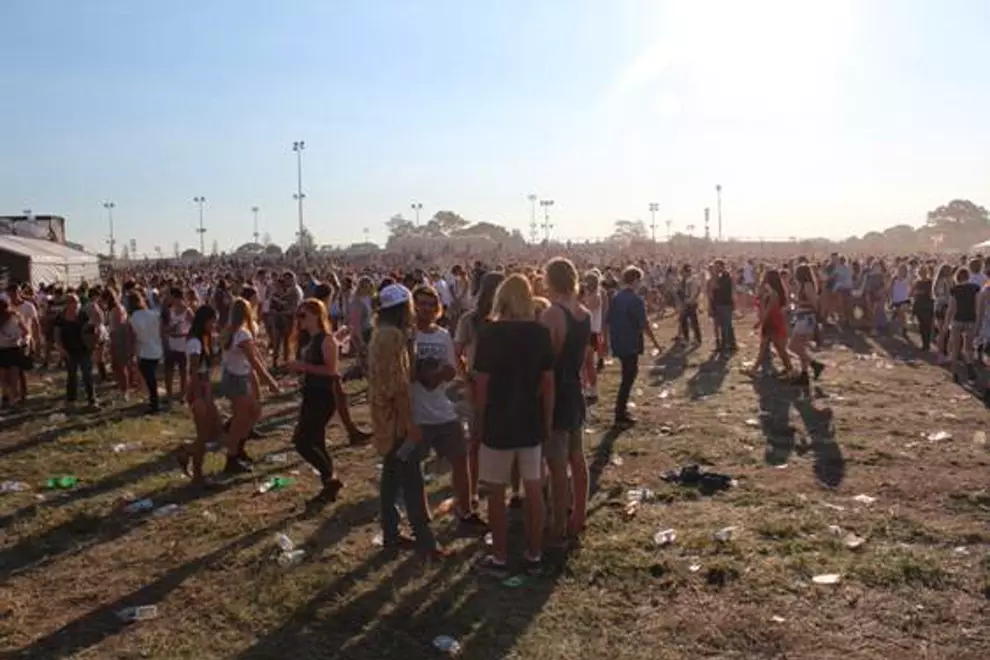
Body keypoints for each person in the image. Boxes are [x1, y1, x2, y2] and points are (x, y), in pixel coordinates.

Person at [473, 274, 552, 576]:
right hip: (530, 418)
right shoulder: (540, 333)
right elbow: (548, 383)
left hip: (499, 419)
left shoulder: (491, 333)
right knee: (533, 489)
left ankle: (500, 557)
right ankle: (535, 554)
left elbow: (482, 384)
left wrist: (479, 421)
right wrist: (546, 420)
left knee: (496, 493)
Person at [368, 283, 444, 557]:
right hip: (396, 419)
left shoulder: (383, 333)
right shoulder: (392, 337)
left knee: (392, 474)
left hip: (385, 414)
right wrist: (410, 423)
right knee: (410, 475)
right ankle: (423, 536)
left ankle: (391, 531)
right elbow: (399, 385)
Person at [411, 285, 485, 529]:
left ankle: (465, 511)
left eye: (431, 304)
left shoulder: (442, 335)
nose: (426, 309)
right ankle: (420, 517)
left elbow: (452, 369)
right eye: (421, 303)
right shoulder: (407, 335)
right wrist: (423, 373)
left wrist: (435, 374)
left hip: (442, 410)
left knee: (460, 459)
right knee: (412, 467)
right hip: (415, 413)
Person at [540, 258, 592, 544]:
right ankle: (579, 515)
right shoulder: (583, 314)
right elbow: (582, 357)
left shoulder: (552, 314)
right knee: (577, 458)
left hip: (556, 393)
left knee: (557, 465)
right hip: (574, 388)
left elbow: (547, 362)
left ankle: (558, 524)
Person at [286, 299, 345, 508]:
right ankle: (329, 484)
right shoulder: (308, 340)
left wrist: (304, 366)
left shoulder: (326, 340)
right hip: (311, 393)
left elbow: (331, 370)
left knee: (302, 442)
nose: (299, 320)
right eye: (298, 316)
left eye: (303, 316)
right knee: (317, 442)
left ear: (317, 316)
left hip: (323, 396)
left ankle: (331, 479)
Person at [219, 297, 280, 474]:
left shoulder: (229, 331)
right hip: (237, 378)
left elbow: (251, 356)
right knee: (241, 419)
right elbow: (254, 362)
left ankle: (238, 449)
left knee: (253, 411)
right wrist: (270, 382)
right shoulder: (242, 334)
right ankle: (232, 457)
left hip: (232, 376)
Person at [608, 266, 662, 428]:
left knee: (627, 374)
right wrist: (655, 343)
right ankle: (620, 412)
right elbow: (643, 323)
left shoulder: (616, 298)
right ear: (636, 280)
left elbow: (609, 320)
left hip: (618, 340)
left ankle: (621, 409)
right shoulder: (635, 300)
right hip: (630, 341)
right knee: (629, 376)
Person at [175, 305, 222, 486]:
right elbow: (194, 370)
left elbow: (210, 365)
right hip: (199, 389)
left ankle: (187, 451)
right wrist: (196, 395)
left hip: (205, 387)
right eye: (212, 321)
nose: (214, 325)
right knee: (203, 434)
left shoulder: (206, 339)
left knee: (215, 431)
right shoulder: (195, 342)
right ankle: (198, 475)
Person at [54, 293, 98, 409]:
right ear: (67, 304)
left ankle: (92, 400)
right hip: (69, 351)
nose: (75, 304)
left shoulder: (84, 315)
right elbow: (57, 334)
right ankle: (71, 400)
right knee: (72, 376)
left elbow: (93, 331)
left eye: (77, 302)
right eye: (72, 302)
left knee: (87, 375)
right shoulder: (61, 317)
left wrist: (93, 346)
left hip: (84, 350)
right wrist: (61, 349)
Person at [128, 291, 164, 413]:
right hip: (156, 348)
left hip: (143, 351)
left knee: (149, 379)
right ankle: (153, 400)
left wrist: (132, 353)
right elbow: (160, 330)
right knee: (151, 377)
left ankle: (154, 403)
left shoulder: (133, 318)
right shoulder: (153, 314)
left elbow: (132, 337)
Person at [163, 287, 193, 403]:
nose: (168, 298)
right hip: (171, 344)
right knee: (168, 370)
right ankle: (169, 395)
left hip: (183, 346)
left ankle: (182, 396)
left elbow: (195, 328)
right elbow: (165, 328)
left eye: (170, 296)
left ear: (175, 297)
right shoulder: (170, 311)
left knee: (183, 371)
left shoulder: (187, 311)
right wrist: (170, 330)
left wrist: (183, 334)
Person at [0, 298, 28, 408]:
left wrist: (22, 340)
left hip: (14, 349)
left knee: (13, 377)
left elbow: (25, 331)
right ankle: (7, 396)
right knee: (3, 377)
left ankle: (13, 399)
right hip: (2, 349)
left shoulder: (15, 317)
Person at [711, 259, 737, 353]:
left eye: (717, 267)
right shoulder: (721, 276)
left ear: (722, 267)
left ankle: (725, 345)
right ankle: (731, 344)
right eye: (715, 267)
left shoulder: (726, 276)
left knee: (725, 326)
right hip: (719, 304)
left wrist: (714, 276)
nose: (716, 269)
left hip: (725, 304)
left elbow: (716, 286)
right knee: (726, 325)